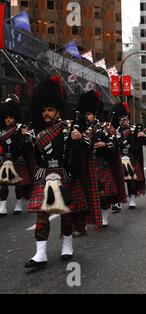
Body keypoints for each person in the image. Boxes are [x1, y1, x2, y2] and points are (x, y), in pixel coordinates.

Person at [25, 76, 90, 268]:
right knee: (42, 214)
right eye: (44, 109)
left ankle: (67, 246)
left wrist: (78, 139)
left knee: (66, 214)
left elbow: (86, 146)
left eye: (50, 110)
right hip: (44, 175)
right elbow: (30, 155)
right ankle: (40, 254)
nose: (46, 113)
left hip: (64, 175)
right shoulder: (34, 131)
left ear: (58, 111)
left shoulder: (67, 128)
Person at [85, 100, 127, 226]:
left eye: (89, 114)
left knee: (103, 194)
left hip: (101, 163)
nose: (86, 117)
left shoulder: (105, 126)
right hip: (87, 164)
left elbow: (117, 139)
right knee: (87, 193)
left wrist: (105, 144)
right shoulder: (80, 128)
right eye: (85, 114)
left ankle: (104, 217)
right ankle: (87, 219)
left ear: (95, 114)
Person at [0, 95, 34, 217]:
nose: (8, 120)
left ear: (15, 118)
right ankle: (2, 206)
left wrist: (25, 135)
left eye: (10, 118)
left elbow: (28, 145)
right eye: (6, 118)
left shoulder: (20, 130)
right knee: (3, 185)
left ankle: (18, 205)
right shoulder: (2, 131)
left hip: (18, 161)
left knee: (18, 186)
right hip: (4, 160)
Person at [116, 116, 146, 209]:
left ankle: (132, 199)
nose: (124, 122)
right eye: (122, 120)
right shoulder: (116, 132)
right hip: (121, 158)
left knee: (132, 181)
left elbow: (144, 143)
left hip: (133, 158)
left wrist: (143, 136)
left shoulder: (134, 131)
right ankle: (117, 202)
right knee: (122, 181)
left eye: (126, 120)